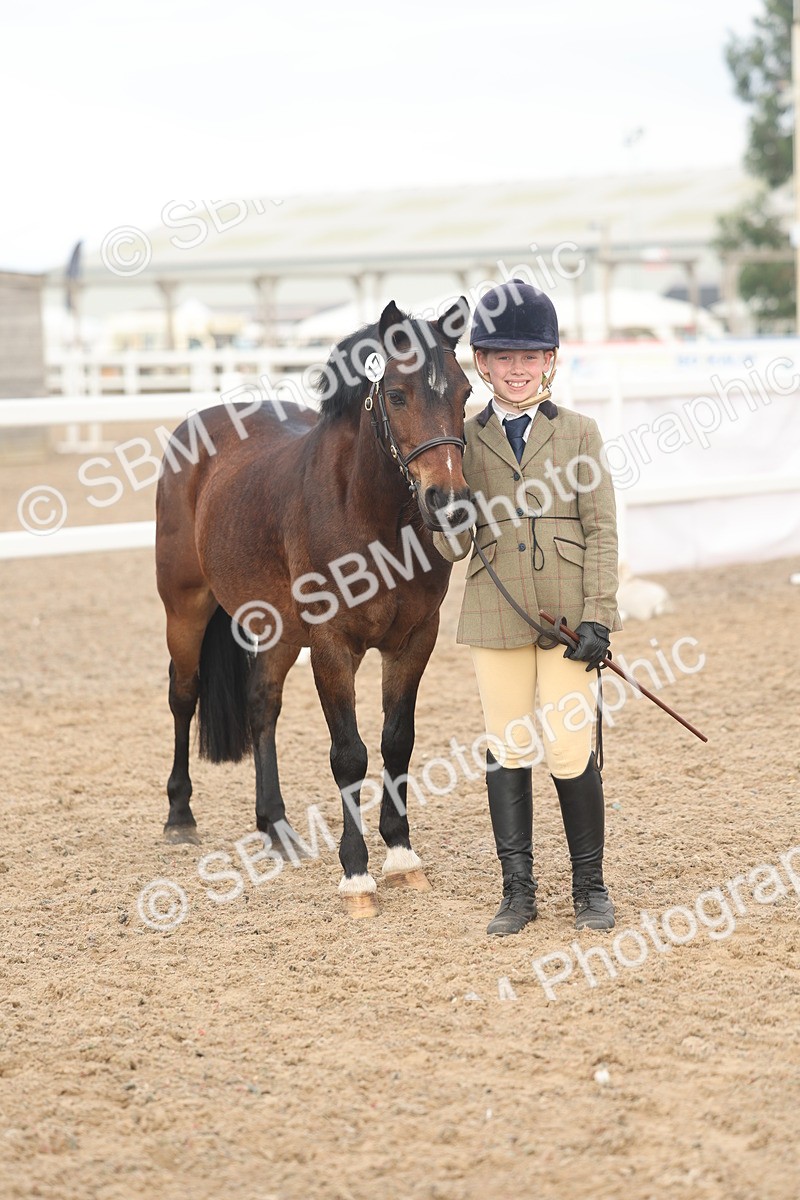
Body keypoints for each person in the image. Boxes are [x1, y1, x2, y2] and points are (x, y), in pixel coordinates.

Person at [433, 280, 621, 937]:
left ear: (551, 360)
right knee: (507, 746)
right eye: (502, 358)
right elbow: (454, 545)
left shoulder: (579, 433)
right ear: (481, 364)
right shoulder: (462, 437)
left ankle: (590, 887)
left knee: (570, 749)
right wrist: (443, 512)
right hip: (496, 611)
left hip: (569, 620)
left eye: (530, 357)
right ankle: (518, 892)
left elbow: (601, 531)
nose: (517, 370)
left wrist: (600, 616)